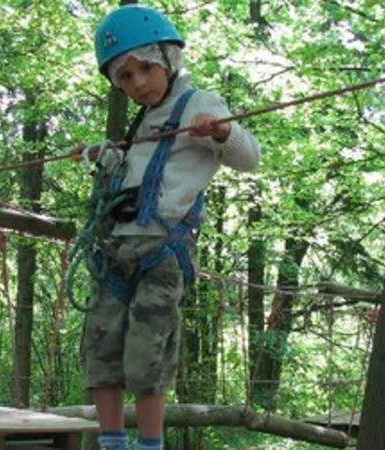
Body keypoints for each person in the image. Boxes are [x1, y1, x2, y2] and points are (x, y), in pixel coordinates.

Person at [71, 5, 261, 450]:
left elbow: (249, 156)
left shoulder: (199, 103)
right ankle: (111, 442)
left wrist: (217, 133)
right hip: (117, 248)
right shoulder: (143, 123)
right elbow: (134, 170)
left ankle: (150, 445)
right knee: (101, 347)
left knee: (148, 351)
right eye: (125, 77)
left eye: (146, 70)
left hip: (162, 249)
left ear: (169, 59)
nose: (138, 84)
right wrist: (102, 155)